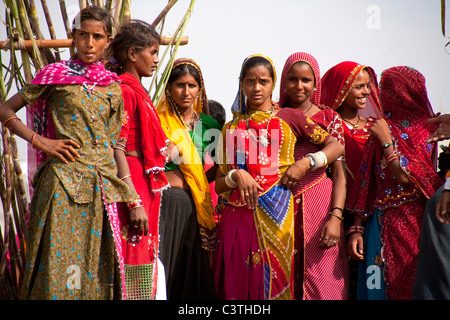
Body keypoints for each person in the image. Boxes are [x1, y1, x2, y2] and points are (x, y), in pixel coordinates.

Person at [0, 6, 139, 299]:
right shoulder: (55, 76)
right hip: (62, 183)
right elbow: (5, 109)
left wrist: (133, 199)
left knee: (96, 270)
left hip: (101, 189)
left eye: (97, 37)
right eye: (83, 35)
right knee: (60, 266)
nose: (89, 43)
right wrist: (41, 142)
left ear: (108, 40)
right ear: (73, 36)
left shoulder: (113, 86)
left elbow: (116, 145)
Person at [213, 54, 338, 300]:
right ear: (242, 84)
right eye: (250, 81)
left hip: (276, 213)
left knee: (274, 284)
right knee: (236, 286)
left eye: (263, 81)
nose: (256, 88)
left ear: (273, 83)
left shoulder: (288, 118)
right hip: (235, 219)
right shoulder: (230, 128)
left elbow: (335, 146)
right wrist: (237, 175)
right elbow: (218, 183)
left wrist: (306, 163)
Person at [345, 66, 441, 300]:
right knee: (376, 284)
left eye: (388, 88)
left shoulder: (426, 128)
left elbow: (407, 177)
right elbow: (368, 179)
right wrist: (357, 227)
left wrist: (387, 141)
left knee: (411, 282)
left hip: (415, 222)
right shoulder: (381, 125)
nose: (379, 93)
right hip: (378, 223)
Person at [105, 20, 170, 300]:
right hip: (130, 180)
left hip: (142, 181)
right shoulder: (125, 91)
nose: (156, 60)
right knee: (133, 254)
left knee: (143, 252)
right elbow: (116, 147)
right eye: (152, 52)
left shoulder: (139, 92)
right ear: (132, 54)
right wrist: (133, 201)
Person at [276, 52, 348, 300]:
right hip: (277, 206)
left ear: (316, 84)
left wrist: (336, 217)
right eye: (292, 79)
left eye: (306, 80)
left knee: (322, 278)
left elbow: (339, 175)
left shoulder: (329, 118)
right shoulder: (273, 116)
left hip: (319, 206)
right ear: (283, 82)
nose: (299, 86)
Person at [156, 58, 220, 299]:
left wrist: (199, 182)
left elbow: (219, 168)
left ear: (199, 89)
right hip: (166, 202)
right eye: (180, 85)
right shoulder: (157, 120)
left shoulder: (210, 125)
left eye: (192, 85)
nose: (186, 92)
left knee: (190, 271)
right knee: (165, 269)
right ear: (169, 87)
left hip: (195, 205)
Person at [320, 61, 383, 298]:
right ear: (342, 89)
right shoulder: (325, 126)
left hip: (370, 214)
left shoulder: (375, 128)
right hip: (333, 211)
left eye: (368, 86)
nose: (366, 92)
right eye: (359, 86)